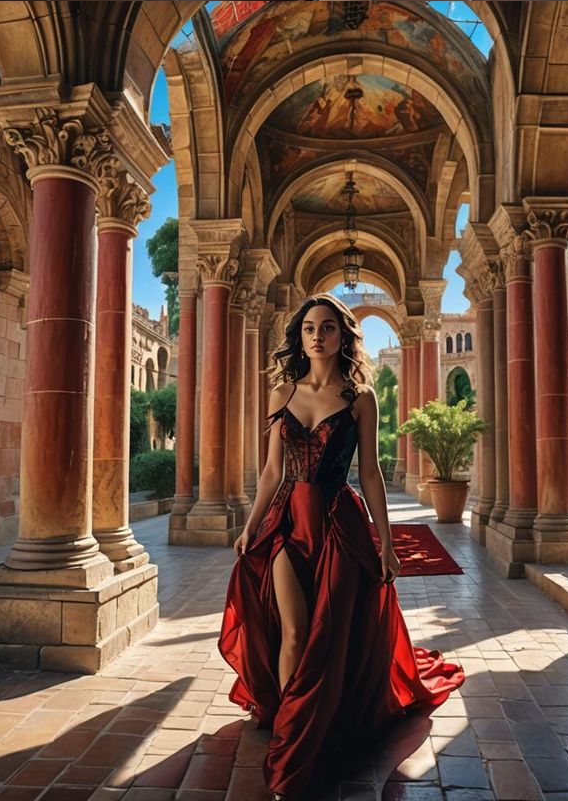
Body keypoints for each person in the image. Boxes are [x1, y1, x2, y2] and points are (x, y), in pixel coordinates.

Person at [218, 294, 464, 800]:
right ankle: (292, 735)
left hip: (338, 525)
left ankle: (315, 727)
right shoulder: (282, 392)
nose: (317, 336)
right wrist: (250, 525)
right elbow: (272, 471)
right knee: (293, 632)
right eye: (309, 328)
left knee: (327, 634)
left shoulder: (360, 398)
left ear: (342, 335)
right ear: (300, 335)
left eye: (327, 327)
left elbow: (370, 473)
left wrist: (387, 544)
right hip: (287, 523)